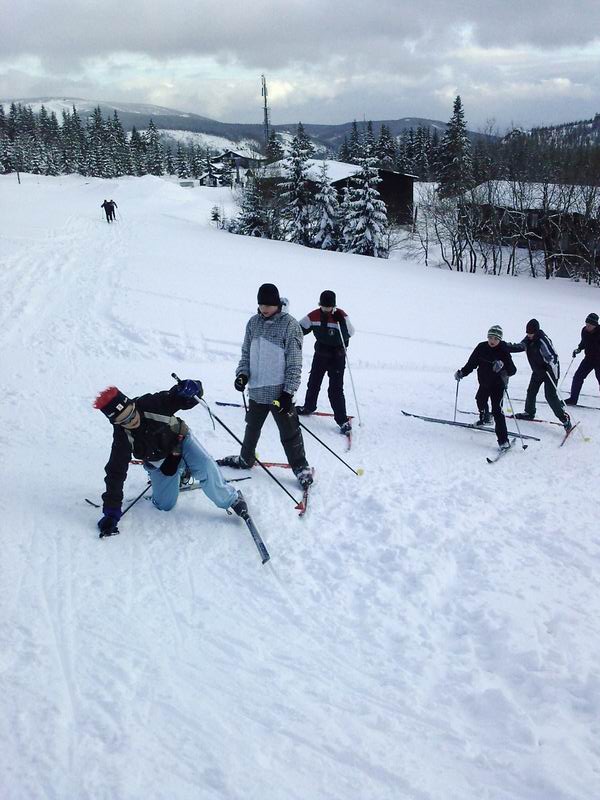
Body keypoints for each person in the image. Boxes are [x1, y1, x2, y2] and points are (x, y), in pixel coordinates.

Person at [93, 379, 247, 536]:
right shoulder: (122, 438)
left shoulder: (151, 404)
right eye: (124, 420)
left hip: (181, 441)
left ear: (132, 404)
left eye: (132, 413)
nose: (132, 420)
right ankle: (180, 472)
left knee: (206, 466)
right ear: (116, 423)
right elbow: (115, 472)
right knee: (165, 505)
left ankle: (231, 499)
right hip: (159, 460)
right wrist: (111, 512)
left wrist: (190, 389)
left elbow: (177, 398)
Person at [217, 283, 313, 489]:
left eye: (268, 305)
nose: (264, 309)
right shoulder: (253, 323)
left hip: (279, 393)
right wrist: (242, 375)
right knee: (252, 427)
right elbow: (246, 353)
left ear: (277, 303)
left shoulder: (290, 325)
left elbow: (295, 362)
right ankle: (246, 458)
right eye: (261, 304)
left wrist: (288, 393)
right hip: (257, 390)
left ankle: (301, 467)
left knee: (289, 432)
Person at [296, 289, 354, 434]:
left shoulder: (341, 315)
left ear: (334, 305)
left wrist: (342, 323)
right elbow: (298, 328)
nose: (326, 309)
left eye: (329, 307)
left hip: (337, 357)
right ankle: (309, 407)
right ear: (320, 304)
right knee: (313, 382)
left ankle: (342, 420)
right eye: (323, 306)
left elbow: (351, 332)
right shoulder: (314, 315)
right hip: (321, 355)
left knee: (335, 389)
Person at [454, 324, 517, 450]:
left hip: (498, 385)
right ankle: (486, 418)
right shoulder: (481, 347)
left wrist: (502, 366)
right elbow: (471, 363)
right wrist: (462, 372)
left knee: (497, 411)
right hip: (484, 382)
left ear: (500, 339)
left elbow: (512, 370)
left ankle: (503, 441)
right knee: (480, 400)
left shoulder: (503, 350)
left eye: (496, 339)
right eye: (490, 338)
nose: (492, 341)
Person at [505, 318, 572, 431]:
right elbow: (520, 346)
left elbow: (554, 356)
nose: (529, 335)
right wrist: (504, 346)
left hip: (550, 372)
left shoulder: (542, 340)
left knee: (550, 396)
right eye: (527, 333)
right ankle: (529, 412)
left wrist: (549, 366)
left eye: (531, 333)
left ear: (536, 331)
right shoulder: (528, 339)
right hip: (537, 371)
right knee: (531, 391)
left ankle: (564, 418)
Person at [565, 312, 600, 405]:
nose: (588, 327)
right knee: (578, 377)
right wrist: (579, 349)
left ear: (595, 325)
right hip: (589, 359)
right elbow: (584, 342)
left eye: (590, 325)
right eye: (587, 324)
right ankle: (573, 399)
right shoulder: (584, 331)